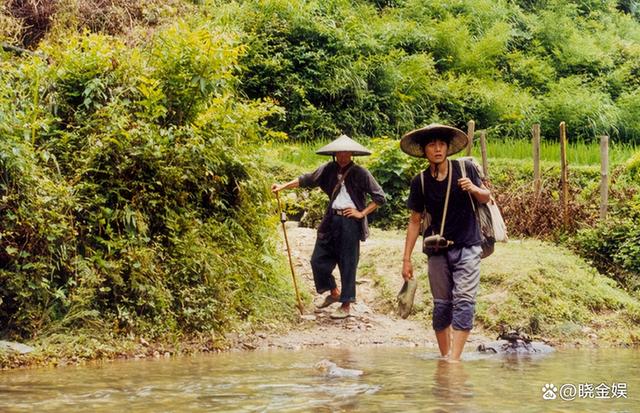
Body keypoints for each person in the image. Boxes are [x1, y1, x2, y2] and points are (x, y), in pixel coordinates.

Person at [399, 124, 490, 362]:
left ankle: (454, 360)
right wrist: (406, 259)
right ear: (424, 150)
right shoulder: (419, 182)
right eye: (432, 144)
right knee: (441, 305)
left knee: (464, 301)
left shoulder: (465, 168)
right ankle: (446, 354)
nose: (437, 149)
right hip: (437, 250)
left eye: (441, 144)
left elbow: (487, 197)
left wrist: (473, 189)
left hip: (468, 245)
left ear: (448, 148)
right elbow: (414, 221)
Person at [272, 135, 386, 319]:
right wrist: (282, 187)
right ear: (334, 154)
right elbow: (306, 179)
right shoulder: (328, 169)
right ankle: (333, 292)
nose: (343, 156)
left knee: (348, 262)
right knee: (317, 260)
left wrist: (361, 213)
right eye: (339, 152)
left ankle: (346, 303)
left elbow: (380, 198)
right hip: (331, 220)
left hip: (350, 222)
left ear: (352, 154)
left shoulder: (361, 173)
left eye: (346, 152)